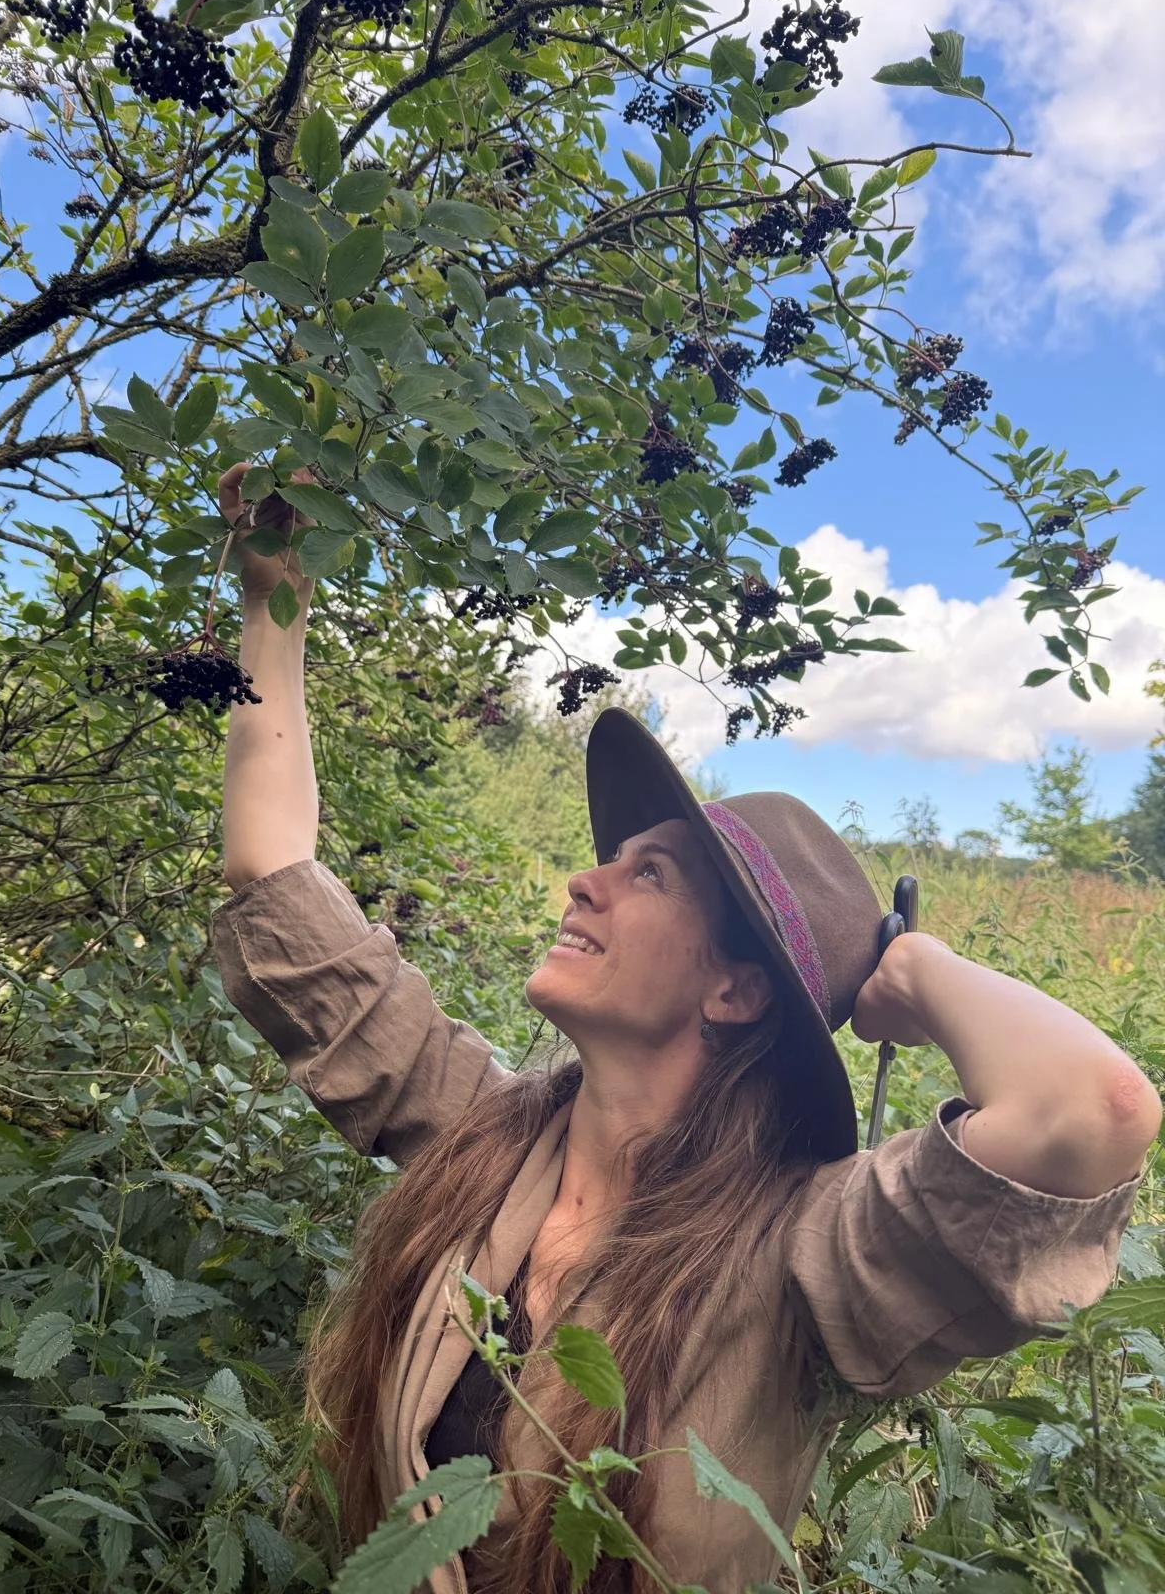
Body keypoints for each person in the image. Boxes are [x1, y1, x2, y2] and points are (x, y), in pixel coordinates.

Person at [211, 462, 1161, 1594]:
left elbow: (1093, 1112)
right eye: (607, 861)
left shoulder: (804, 1252)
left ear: (737, 992)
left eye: (648, 875)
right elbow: (274, 876)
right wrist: (276, 596)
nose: (582, 882)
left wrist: (917, 965)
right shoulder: (484, 1128)